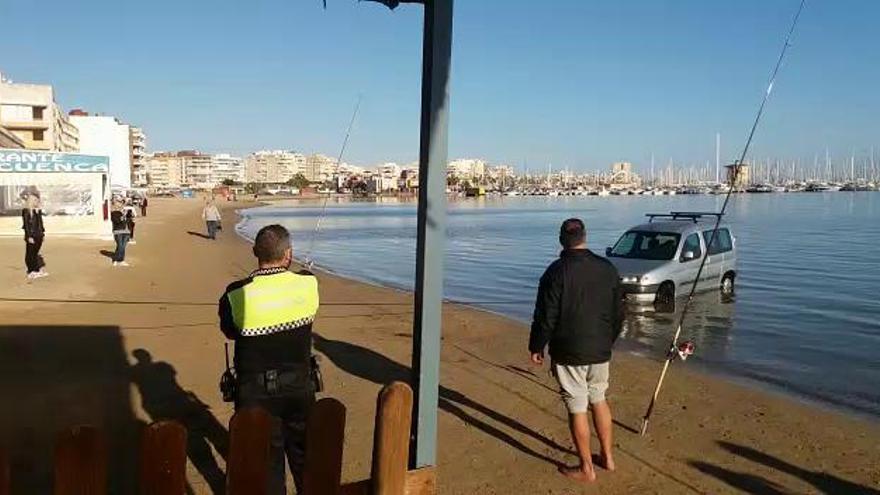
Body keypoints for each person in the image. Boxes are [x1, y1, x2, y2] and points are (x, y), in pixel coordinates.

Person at [218, 224, 319, 494]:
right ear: (288, 254)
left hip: (255, 392)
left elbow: (229, 329)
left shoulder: (235, 293)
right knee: (306, 460)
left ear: (254, 252)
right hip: (300, 388)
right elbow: (305, 280)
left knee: (267, 464)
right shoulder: (308, 283)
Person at [529, 218, 623, 483]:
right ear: (585, 236)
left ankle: (587, 468)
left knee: (577, 406)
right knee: (598, 398)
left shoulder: (555, 272)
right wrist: (608, 340)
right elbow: (619, 312)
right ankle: (608, 457)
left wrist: (537, 346)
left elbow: (545, 316)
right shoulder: (607, 268)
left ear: (562, 239)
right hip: (599, 348)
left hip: (569, 350)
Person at [21, 191, 48, 280]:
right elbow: (27, 225)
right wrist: (29, 236)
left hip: (39, 235)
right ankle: (31, 271)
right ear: (32, 201)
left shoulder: (37, 211)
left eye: (38, 200)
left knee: (35, 253)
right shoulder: (26, 211)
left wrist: (42, 233)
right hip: (32, 236)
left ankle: (36, 270)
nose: (38, 202)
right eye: (36, 200)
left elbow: (40, 224)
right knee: (30, 253)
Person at [110, 201, 131, 266]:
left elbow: (128, 221)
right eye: (118, 205)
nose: (120, 207)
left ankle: (121, 260)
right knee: (120, 246)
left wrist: (128, 216)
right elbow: (116, 221)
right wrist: (123, 217)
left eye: (121, 205)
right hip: (118, 231)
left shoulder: (123, 213)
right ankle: (116, 259)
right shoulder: (113, 213)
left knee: (123, 246)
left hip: (126, 231)